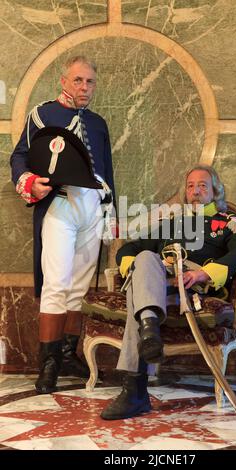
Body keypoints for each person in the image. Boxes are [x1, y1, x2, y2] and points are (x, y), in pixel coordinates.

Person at [100, 164, 236, 420]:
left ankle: (134, 391)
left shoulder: (228, 224)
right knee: (146, 257)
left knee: (138, 300)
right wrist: (134, 270)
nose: (195, 190)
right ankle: (149, 331)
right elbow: (128, 250)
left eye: (203, 185)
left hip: (191, 290)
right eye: (191, 185)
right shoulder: (170, 224)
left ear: (215, 191)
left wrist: (204, 273)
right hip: (157, 283)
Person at [10, 56, 116, 394]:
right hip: (59, 203)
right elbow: (19, 156)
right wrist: (30, 183)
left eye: (90, 82)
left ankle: (69, 354)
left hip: (92, 206)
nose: (84, 87)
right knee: (56, 283)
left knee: (80, 287)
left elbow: (108, 173)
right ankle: (49, 363)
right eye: (78, 80)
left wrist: (110, 213)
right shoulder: (42, 114)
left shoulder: (99, 123)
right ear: (64, 81)